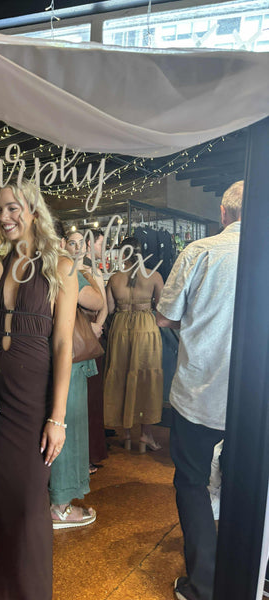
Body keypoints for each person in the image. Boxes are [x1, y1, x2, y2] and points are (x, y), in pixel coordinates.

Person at [0, 179, 77, 600]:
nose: (4, 217)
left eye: (13, 208)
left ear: (33, 211)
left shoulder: (61, 266)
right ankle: (0, 591)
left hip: (32, 401)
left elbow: (64, 344)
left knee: (29, 505)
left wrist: (58, 418)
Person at [156, 180, 243, 600]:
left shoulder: (200, 251)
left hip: (199, 390)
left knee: (192, 482)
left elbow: (165, 316)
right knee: (253, 485)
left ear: (223, 214)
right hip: (253, 398)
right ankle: (253, 570)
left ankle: (204, 585)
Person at [49, 223, 102, 529]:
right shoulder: (64, 267)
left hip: (34, 356)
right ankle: (60, 505)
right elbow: (96, 301)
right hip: (66, 356)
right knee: (66, 427)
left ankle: (48, 498)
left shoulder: (22, 265)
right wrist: (85, 273)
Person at [103, 237, 164, 452]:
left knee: (121, 377)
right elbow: (162, 307)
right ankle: (146, 435)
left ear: (122, 254)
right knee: (147, 380)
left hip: (120, 328)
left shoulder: (114, 278)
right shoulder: (154, 276)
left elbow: (110, 309)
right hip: (146, 328)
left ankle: (126, 434)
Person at [83, 229, 109, 471]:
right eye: (101, 244)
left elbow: (104, 308)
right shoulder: (84, 269)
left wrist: (96, 328)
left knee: (90, 395)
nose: (104, 248)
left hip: (89, 335)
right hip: (79, 333)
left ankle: (89, 453)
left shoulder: (94, 271)